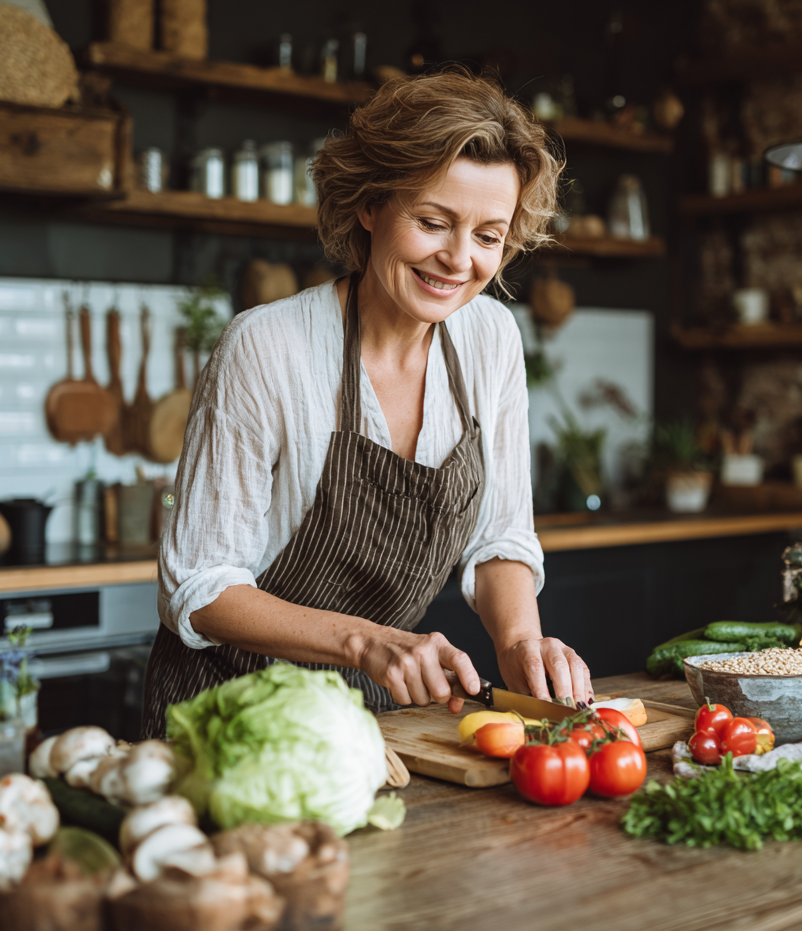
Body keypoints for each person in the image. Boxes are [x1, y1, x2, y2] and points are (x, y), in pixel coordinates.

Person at [141, 67, 591, 737]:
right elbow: (199, 588)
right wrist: (367, 644)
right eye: (433, 221)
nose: (458, 259)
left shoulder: (491, 338)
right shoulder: (267, 348)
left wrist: (521, 643)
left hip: (366, 726)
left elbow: (500, 537)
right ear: (370, 206)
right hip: (227, 719)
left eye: (489, 236)